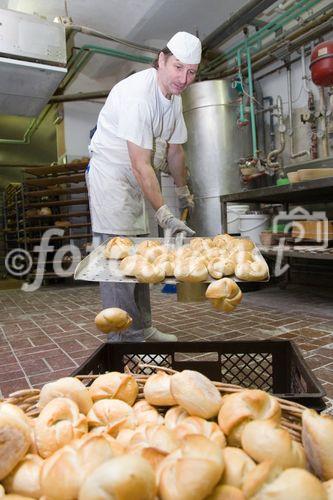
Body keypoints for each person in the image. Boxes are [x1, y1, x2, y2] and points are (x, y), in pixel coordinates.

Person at [86, 31, 202, 343]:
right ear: (161, 60)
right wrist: (164, 214)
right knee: (116, 257)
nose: (183, 78)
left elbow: (176, 152)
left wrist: (182, 189)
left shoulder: (173, 100)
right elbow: (140, 164)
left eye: (191, 71)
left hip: (137, 177)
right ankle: (121, 337)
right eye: (178, 67)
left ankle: (142, 329)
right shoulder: (139, 95)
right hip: (112, 175)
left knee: (141, 255)